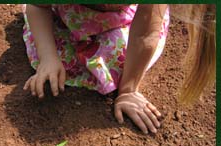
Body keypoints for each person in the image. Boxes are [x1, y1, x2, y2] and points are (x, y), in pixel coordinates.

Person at [22, 4, 216, 134]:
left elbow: (145, 34)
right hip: (69, 12)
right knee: (53, 47)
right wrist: (48, 57)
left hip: (124, 20)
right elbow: (38, 6)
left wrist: (129, 90)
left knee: (117, 60)